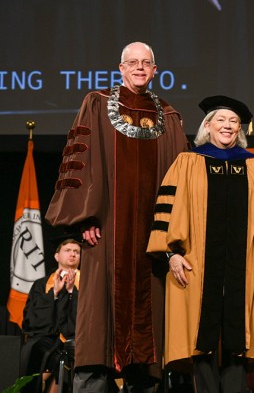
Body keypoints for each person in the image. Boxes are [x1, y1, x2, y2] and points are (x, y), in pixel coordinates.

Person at [45, 42, 189, 391]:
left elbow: (180, 178)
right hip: (105, 227)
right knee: (100, 314)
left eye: (146, 63)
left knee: (149, 312)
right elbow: (82, 161)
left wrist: (172, 233)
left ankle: (145, 380)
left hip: (151, 234)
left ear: (156, 70)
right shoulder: (97, 104)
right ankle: (94, 380)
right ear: (120, 68)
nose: (140, 68)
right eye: (133, 62)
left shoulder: (168, 116)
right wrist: (84, 219)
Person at [147, 95, 254, 392]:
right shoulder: (188, 162)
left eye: (234, 122)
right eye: (221, 119)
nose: (228, 126)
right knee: (200, 340)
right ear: (207, 125)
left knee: (238, 339)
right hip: (195, 264)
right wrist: (171, 254)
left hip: (241, 268)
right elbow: (166, 209)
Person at [21, 236, 81, 393]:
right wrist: (54, 292)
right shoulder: (42, 284)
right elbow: (32, 320)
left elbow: (86, 319)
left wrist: (70, 292)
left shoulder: (87, 283)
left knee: (65, 355)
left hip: (77, 340)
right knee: (40, 350)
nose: (73, 254)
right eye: (67, 250)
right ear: (56, 256)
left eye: (77, 251)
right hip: (46, 339)